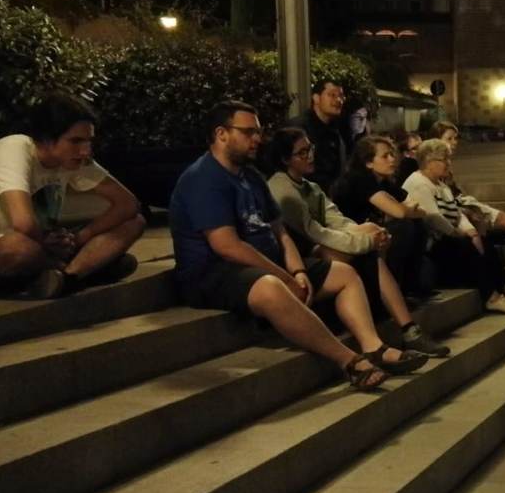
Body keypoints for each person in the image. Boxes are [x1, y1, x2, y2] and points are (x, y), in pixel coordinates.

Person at [169, 101, 427, 392]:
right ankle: (350, 362)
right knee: (271, 286)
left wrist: (298, 270)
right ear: (221, 134)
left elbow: (280, 232)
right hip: (214, 273)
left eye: (258, 131)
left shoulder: (251, 177)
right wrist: (285, 278)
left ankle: (373, 347)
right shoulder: (203, 179)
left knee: (343, 274)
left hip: (266, 266)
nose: (257, 139)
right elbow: (227, 246)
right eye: (248, 132)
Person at [267, 128, 449, 358]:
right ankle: (405, 329)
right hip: (301, 256)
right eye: (302, 153)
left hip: (322, 246)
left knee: (375, 231)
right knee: (370, 249)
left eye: (310, 149)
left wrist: (371, 233)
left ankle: (406, 327)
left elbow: (337, 220)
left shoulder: (310, 186)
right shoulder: (282, 189)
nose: (310, 156)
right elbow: (315, 233)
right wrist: (364, 242)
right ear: (285, 158)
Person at [0, 91, 144, 299]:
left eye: (88, 142)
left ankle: (66, 278)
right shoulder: (14, 149)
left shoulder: (73, 159)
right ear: (47, 140)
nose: (85, 151)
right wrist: (58, 249)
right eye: (75, 141)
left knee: (134, 223)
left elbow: (127, 204)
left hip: (44, 247)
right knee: (17, 246)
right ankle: (78, 271)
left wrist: (78, 238)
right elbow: (24, 224)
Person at [403, 139, 505, 313]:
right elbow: (433, 218)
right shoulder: (418, 183)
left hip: (450, 236)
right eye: (444, 160)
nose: (448, 163)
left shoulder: (441, 185)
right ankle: (491, 297)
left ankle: (504, 289)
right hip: (433, 244)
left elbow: (457, 213)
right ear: (429, 162)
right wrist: (460, 234)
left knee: (486, 244)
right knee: (467, 246)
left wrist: (471, 232)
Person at [332, 135, 431, 301]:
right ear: (368, 162)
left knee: (417, 224)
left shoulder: (383, 181)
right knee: (403, 227)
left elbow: (421, 209)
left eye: (392, 154)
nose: (392, 159)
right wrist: (403, 210)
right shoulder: (360, 179)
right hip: (351, 236)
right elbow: (399, 212)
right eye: (385, 156)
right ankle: (392, 293)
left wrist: (404, 210)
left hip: (374, 231)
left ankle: (409, 289)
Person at [293, 78, 352, 193]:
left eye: (341, 96)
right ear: (316, 98)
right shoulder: (299, 128)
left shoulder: (339, 129)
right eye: (332, 95)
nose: (339, 100)